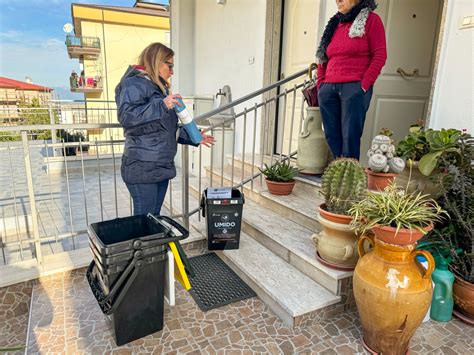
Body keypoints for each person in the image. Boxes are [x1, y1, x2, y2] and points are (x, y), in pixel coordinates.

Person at [115, 42, 215, 216]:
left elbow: (165, 129)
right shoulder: (133, 83)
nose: (172, 71)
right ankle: (144, 244)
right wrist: (161, 105)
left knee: (153, 218)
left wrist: (194, 136)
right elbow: (127, 117)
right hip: (142, 165)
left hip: (159, 165)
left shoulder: (158, 88)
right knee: (144, 221)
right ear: (156, 61)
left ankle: (153, 244)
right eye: (170, 65)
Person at [316, 0, 387, 160]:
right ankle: (339, 172)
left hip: (354, 88)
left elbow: (380, 55)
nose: (338, 0)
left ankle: (349, 180)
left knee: (350, 137)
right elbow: (322, 57)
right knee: (332, 136)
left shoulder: (372, 20)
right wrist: (321, 86)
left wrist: (363, 86)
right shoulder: (334, 24)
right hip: (328, 88)